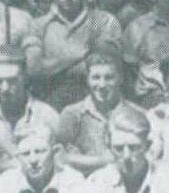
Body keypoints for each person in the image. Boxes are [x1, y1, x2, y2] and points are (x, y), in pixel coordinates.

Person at [30, 0, 124, 108]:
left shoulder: (103, 21)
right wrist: (82, 53)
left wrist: (52, 66)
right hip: (49, 104)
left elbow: (105, 67)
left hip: (95, 102)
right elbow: (34, 70)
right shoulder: (38, 25)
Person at [0, 45, 60, 174]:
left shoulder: (47, 116)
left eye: (12, 81)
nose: (5, 88)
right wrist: (18, 164)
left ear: (25, 78)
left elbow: (60, 162)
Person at [52, 49, 131, 177]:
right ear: (87, 80)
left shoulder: (134, 114)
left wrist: (79, 161)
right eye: (96, 77)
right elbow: (60, 159)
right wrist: (109, 160)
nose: (102, 85)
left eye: (109, 78)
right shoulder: (72, 114)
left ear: (120, 78)